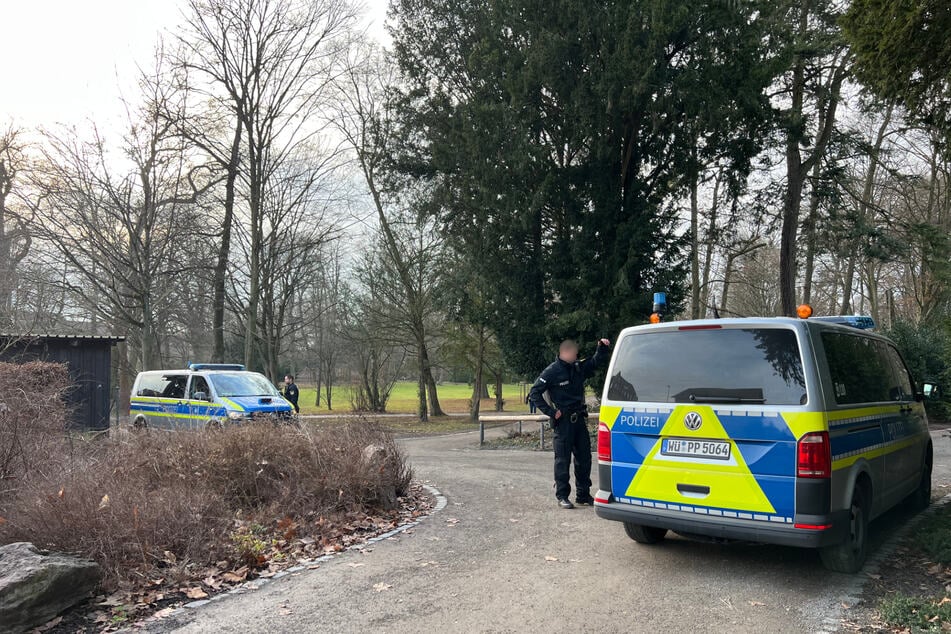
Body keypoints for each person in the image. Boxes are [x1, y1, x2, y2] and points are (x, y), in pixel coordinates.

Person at [529, 338, 611, 509]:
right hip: (563, 422)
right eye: (574, 353)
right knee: (562, 460)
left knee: (584, 458)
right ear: (565, 353)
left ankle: (583, 494)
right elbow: (534, 393)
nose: (576, 355)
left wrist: (601, 348)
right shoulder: (552, 371)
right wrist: (551, 412)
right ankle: (562, 496)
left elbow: (594, 363)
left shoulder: (577, 367)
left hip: (579, 420)